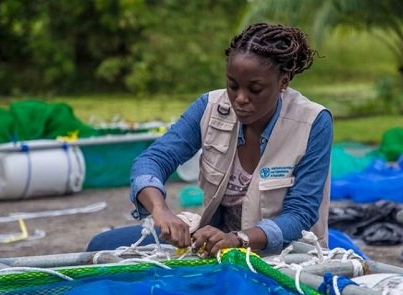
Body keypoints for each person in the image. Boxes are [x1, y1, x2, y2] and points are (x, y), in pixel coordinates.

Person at [87, 22, 333, 257]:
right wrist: (161, 211)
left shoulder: (313, 122)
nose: (240, 98)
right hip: (213, 245)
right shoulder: (210, 107)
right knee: (102, 245)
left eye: (255, 89)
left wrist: (238, 239)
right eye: (233, 85)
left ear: (283, 81)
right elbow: (154, 159)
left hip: (281, 255)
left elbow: (300, 214)